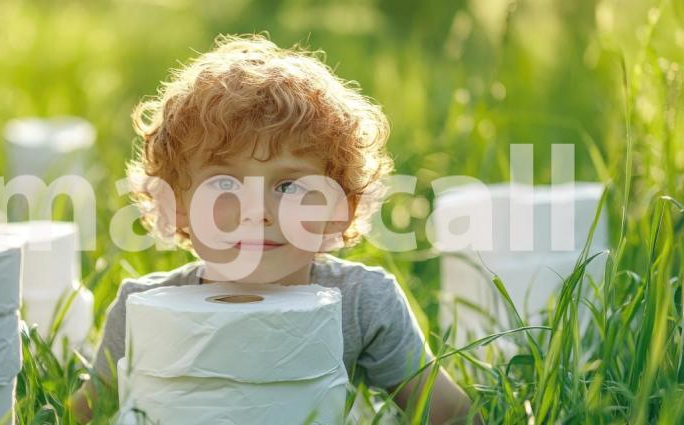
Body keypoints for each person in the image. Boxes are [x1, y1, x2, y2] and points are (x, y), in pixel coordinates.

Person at [72, 33, 480, 424]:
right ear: (175, 207)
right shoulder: (143, 309)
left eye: (289, 186)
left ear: (340, 209)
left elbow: (450, 416)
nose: (257, 211)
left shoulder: (362, 304)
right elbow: (83, 415)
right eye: (224, 184)